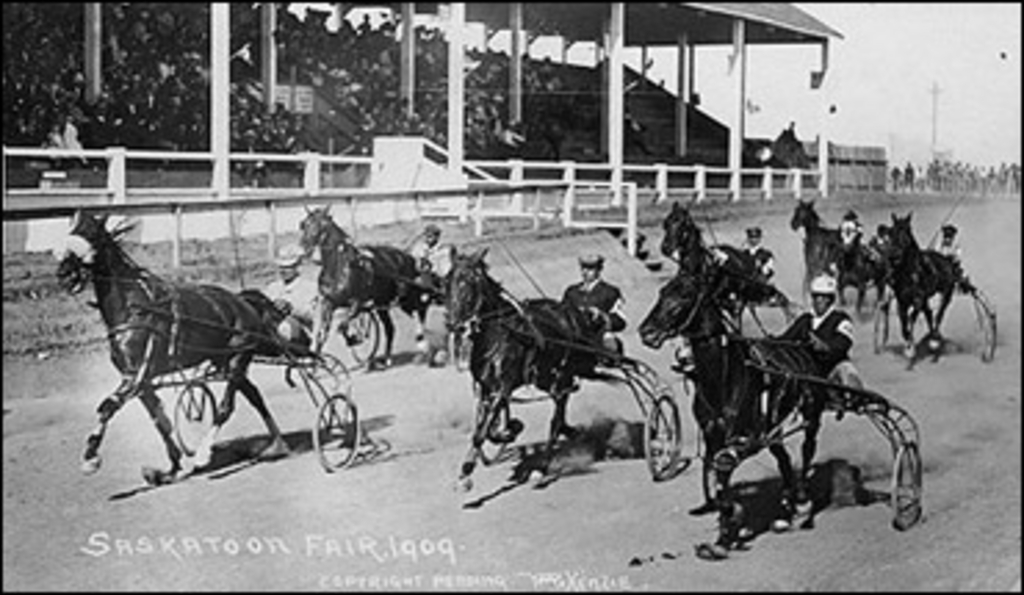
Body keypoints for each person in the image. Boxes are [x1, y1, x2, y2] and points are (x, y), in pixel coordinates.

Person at [776, 274, 862, 415]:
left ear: (831, 300)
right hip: (809, 371)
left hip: (833, 369)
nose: (818, 301)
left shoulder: (841, 319)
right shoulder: (805, 320)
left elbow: (843, 344)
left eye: (823, 298)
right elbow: (786, 339)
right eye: (816, 297)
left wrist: (824, 346)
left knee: (846, 369)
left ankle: (855, 398)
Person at [562, 254, 627, 357]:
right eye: (583, 268)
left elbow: (620, 321)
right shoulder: (571, 292)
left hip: (599, 337)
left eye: (590, 269)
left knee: (610, 343)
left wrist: (601, 315)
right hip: (574, 338)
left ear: (599, 269)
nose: (585, 272)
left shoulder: (610, 292)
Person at [263, 244, 321, 350]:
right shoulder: (272, 288)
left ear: (298, 267)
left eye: (288, 267)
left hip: (300, 335)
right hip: (272, 331)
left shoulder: (311, 288)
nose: (283, 271)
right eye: (281, 267)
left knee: (284, 327)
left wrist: (292, 308)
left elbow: (315, 317)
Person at [409, 223, 453, 303]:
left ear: (437, 237)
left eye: (430, 237)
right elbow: (412, 259)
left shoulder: (443, 250)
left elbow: (445, 268)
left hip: (435, 277)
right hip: (418, 275)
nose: (427, 239)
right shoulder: (418, 247)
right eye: (426, 236)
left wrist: (432, 268)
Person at [935, 224, 975, 293]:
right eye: (946, 235)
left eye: (950, 235)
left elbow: (957, 255)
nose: (947, 238)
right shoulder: (939, 244)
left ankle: (965, 284)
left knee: (959, 272)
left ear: (952, 236)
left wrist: (952, 257)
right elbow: (936, 252)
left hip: (950, 263)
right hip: (939, 263)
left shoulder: (956, 245)